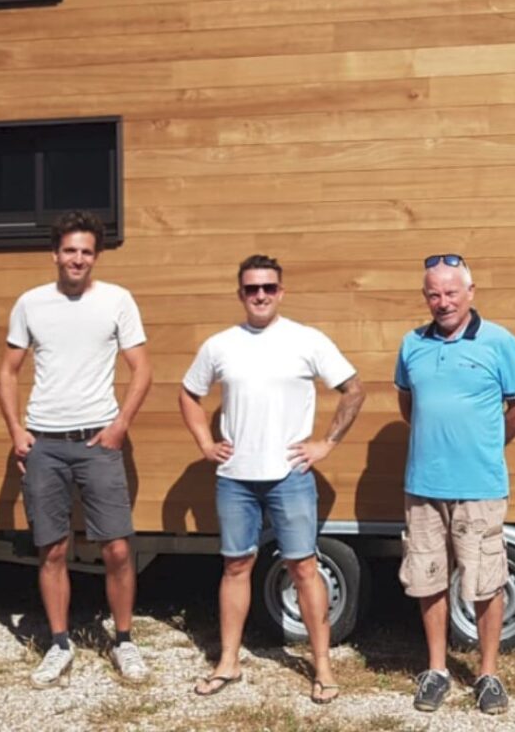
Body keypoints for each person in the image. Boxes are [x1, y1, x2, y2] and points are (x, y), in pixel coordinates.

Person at [179, 254, 366, 705]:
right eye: (251, 289)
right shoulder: (221, 345)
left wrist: (326, 443)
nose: (259, 295)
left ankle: (321, 666)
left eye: (268, 288)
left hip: (290, 476)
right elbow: (188, 392)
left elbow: (354, 389)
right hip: (235, 479)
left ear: (281, 292)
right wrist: (206, 443)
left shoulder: (306, 339)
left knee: (304, 567)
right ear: (240, 293)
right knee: (235, 566)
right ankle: (228, 661)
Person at [0, 210, 153, 688]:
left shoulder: (117, 301)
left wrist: (120, 425)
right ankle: (59, 643)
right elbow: (7, 371)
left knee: (119, 549)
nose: (77, 259)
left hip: (98, 440)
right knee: (52, 550)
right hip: (44, 443)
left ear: (96, 256)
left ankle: (123, 639)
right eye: (70, 250)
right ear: (55, 254)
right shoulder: (30, 304)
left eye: (86, 251)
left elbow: (142, 369)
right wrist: (16, 431)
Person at [395, 254, 515, 716]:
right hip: (423, 487)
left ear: (470, 293)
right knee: (428, 579)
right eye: (434, 293)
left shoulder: (500, 342)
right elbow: (407, 404)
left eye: (451, 292)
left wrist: (486, 447)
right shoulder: (411, 344)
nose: (443, 301)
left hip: (480, 487)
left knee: (485, 582)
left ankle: (488, 674)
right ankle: (437, 670)